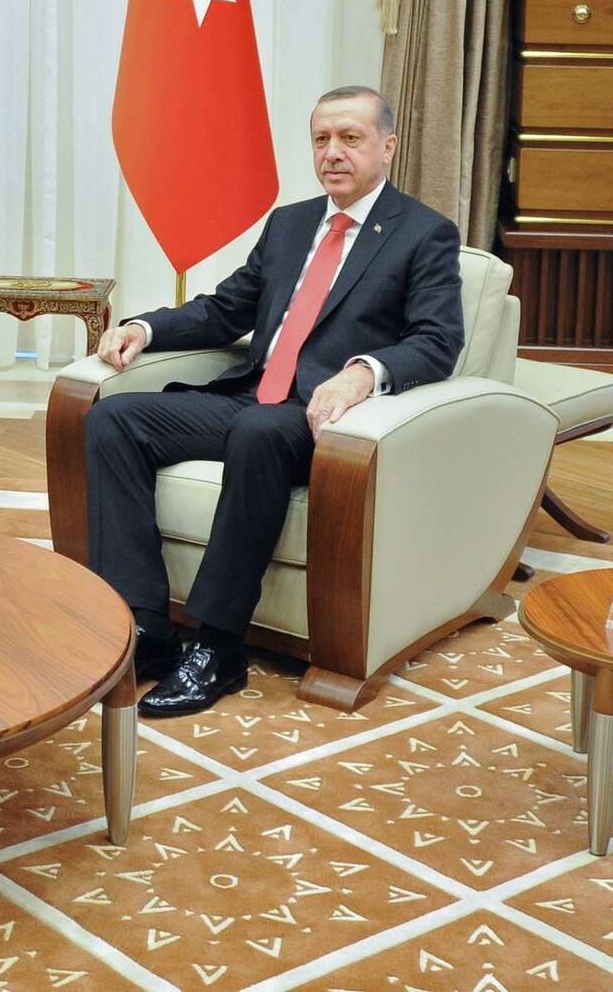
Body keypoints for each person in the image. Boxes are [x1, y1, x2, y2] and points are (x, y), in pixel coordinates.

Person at [85, 86, 465, 718]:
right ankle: (145, 626)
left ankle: (218, 645)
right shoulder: (290, 224)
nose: (333, 152)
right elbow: (225, 309)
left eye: (351, 138)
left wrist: (362, 374)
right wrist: (144, 328)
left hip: (318, 418)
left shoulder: (424, 234)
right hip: (250, 396)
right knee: (113, 418)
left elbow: (437, 340)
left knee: (258, 432)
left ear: (387, 147)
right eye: (322, 139)